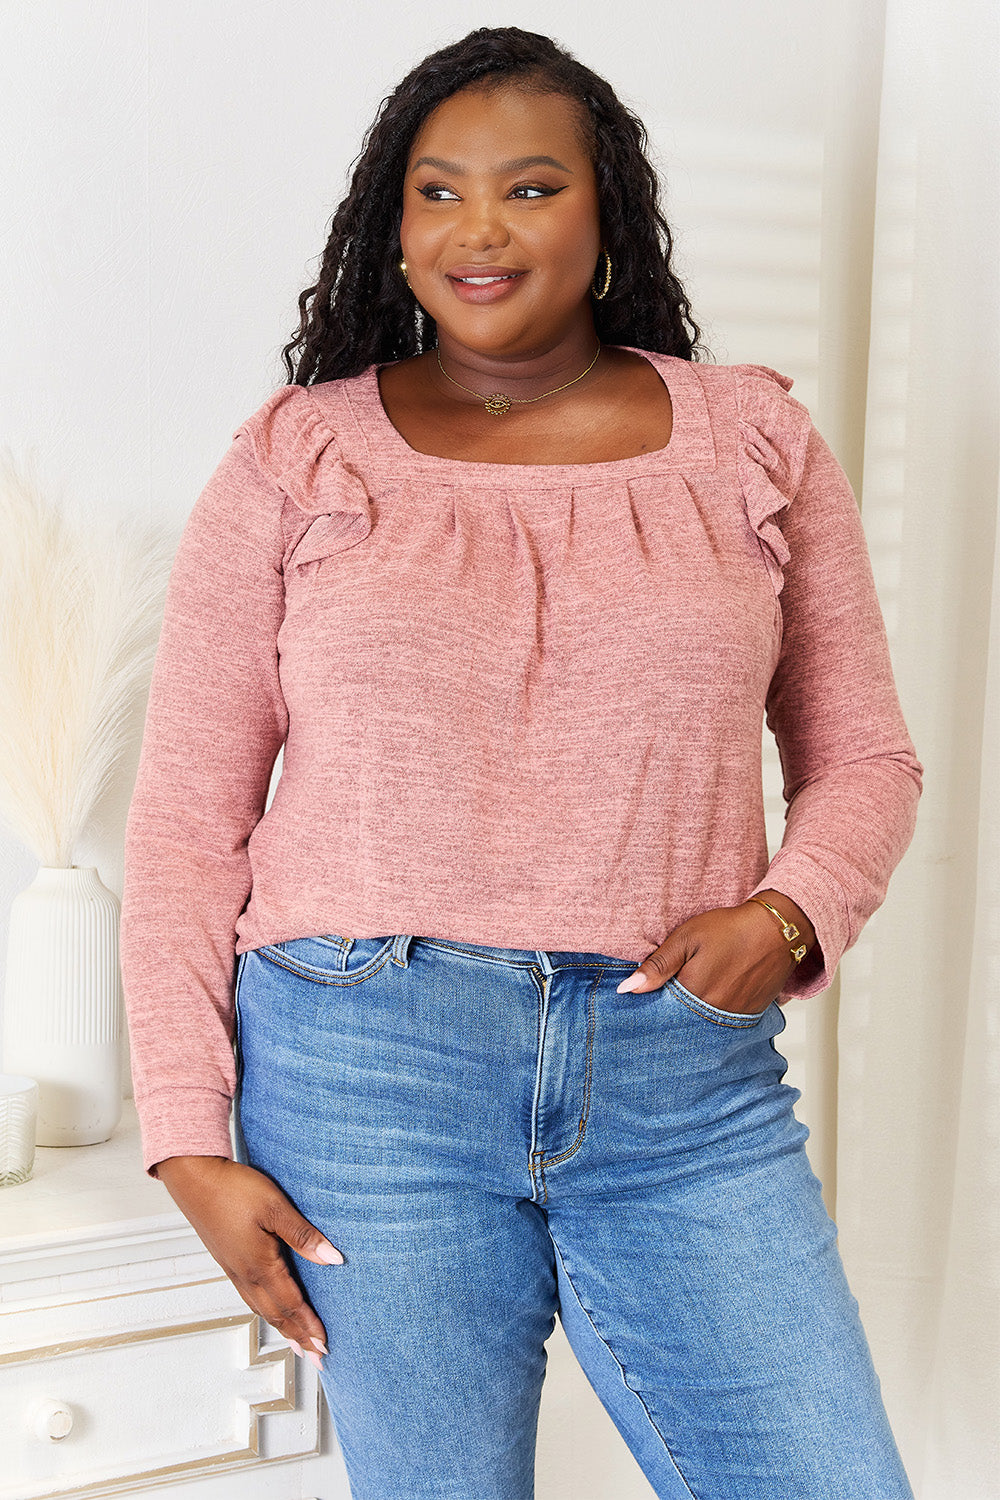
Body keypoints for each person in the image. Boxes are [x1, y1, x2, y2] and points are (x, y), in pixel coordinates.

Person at [119, 25, 923, 1500]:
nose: (479, 230)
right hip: (361, 1072)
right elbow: (185, 817)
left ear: (607, 211)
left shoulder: (753, 442)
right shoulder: (299, 457)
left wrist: (790, 914)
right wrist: (185, 1137)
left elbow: (866, 755)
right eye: (439, 192)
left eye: (532, 188)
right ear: (393, 223)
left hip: (680, 1083)